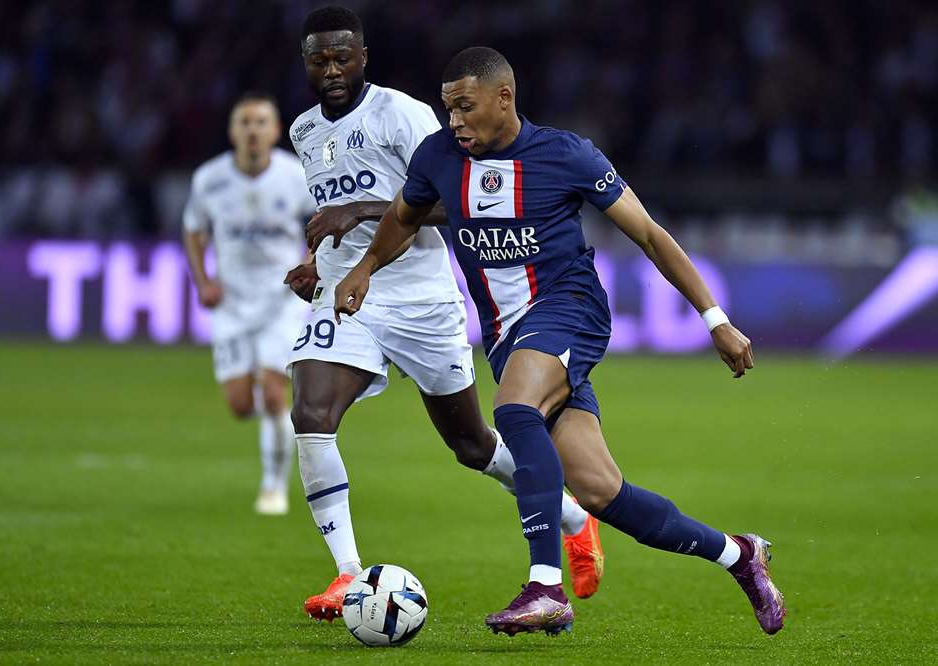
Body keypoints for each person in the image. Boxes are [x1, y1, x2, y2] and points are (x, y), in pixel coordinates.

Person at [334, 46, 786, 637]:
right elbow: (404, 215)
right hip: (505, 333)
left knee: (514, 409)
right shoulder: (438, 157)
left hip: (568, 309)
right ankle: (739, 555)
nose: (455, 122)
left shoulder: (566, 154)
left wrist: (715, 318)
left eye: (466, 108)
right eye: (449, 110)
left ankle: (545, 586)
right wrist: (365, 266)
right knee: (602, 493)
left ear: (504, 98)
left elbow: (649, 235)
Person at [282, 7, 603, 622]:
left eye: (341, 56)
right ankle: (349, 575)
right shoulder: (302, 131)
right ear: (305, 62)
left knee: (472, 444)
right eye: (319, 58)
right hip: (350, 293)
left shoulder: (402, 114)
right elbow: (328, 210)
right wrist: (315, 262)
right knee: (310, 412)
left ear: (363, 57)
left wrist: (363, 210)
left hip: (424, 299)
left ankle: (572, 515)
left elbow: (455, 201)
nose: (331, 69)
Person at [183, 92, 311, 515]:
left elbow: (320, 224)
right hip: (233, 303)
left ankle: (273, 487)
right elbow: (193, 231)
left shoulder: (296, 175)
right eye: (245, 123)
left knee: (274, 393)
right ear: (232, 131)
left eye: (261, 123)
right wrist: (203, 281)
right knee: (240, 405)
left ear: (275, 131)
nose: (253, 130)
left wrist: (309, 266)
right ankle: (273, 427)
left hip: (281, 300)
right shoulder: (210, 179)